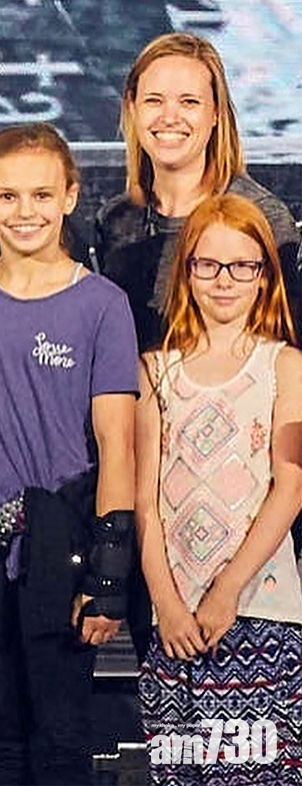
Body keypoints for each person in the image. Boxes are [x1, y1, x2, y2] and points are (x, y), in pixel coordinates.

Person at [0, 123, 139, 784]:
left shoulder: (102, 305)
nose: (25, 212)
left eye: (42, 195)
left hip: (60, 549)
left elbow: (117, 444)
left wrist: (108, 577)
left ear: (70, 196)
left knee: (61, 735)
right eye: (9, 196)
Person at [135, 194, 302, 784]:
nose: (224, 280)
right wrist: (166, 604)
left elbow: (291, 487)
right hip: (175, 621)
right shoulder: (154, 372)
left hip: (260, 610)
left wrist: (227, 591)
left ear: (263, 276)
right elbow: (144, 502)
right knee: (180, 770)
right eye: (208, 264)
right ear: (187, 271)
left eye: (241, 266)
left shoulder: (285, 367)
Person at [95, 32, 301, 352]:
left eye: (189, 102)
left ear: (216, 113)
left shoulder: (263, 217)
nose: (169, 117)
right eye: (154, 101)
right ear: (132, 108)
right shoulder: (115, 221)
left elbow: (288, 347)